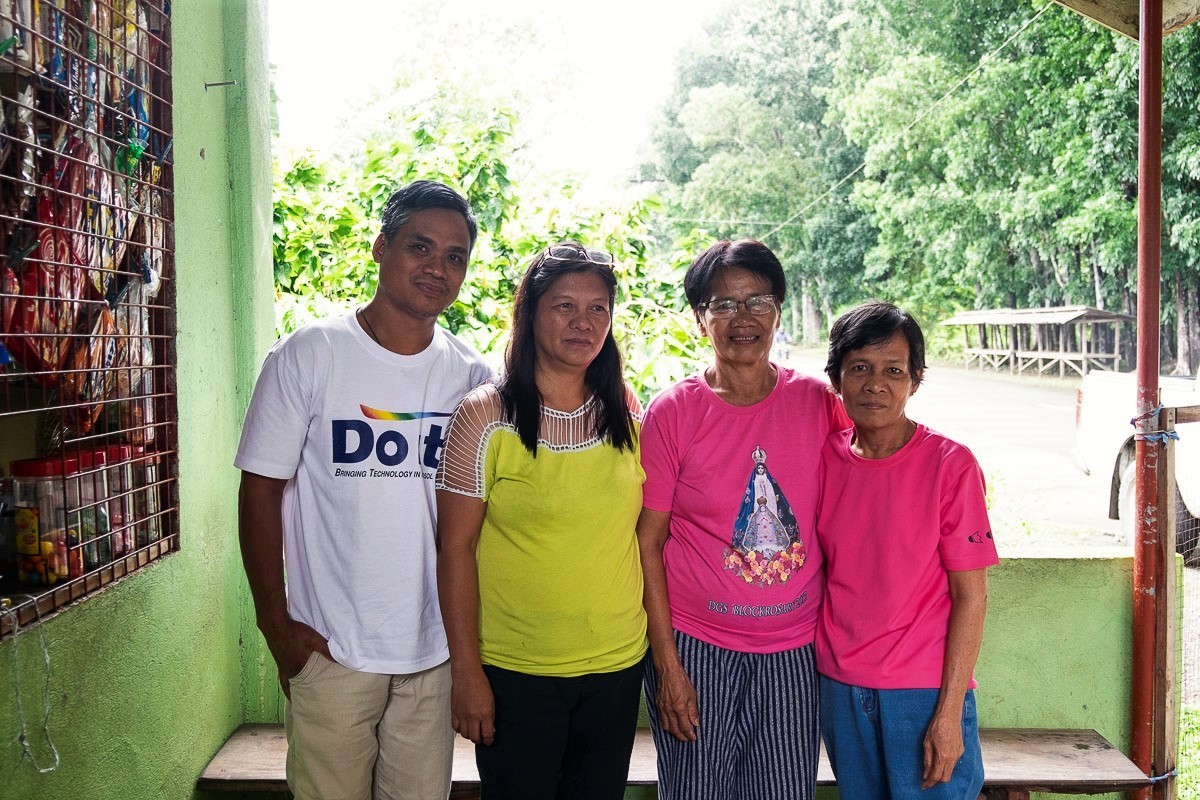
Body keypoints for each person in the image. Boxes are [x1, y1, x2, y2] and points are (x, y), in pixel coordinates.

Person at [235, 180, 492, 800]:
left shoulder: (473, 375)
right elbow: (259, 494)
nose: (437, 268)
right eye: (420, 247)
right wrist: (277, 628)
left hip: (432, 654)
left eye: (455, 256)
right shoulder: (309, 354)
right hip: (331, 651)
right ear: (381, 247)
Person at [435, 243, 648, 800]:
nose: (584, 322)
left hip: (616, 666)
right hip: (516, 672)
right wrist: (467, 672)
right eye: (564, 306)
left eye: (598, 308)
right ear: (530, 313)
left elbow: (644, 534)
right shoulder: (484, 415)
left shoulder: (626, 411)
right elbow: (454, 549)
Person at [636, 239, 846, 800]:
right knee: (696, 791)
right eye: (724, 305)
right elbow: (648, 543)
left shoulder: (819, 402)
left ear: (778, 310)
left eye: (758, 301)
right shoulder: (673, 413)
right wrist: (667, 666)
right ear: (699, 318)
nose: (743, 318)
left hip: (795, 649)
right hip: (696, 646)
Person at [817, 301, 999, 800]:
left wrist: (948, 714)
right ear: (836, 379)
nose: (876, 384)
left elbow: (971, 597)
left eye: (894, 371)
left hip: (923, 692)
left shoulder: (951, 465)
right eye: (860, 368)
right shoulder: (824, 458)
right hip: (840, 686)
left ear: (915, 381)